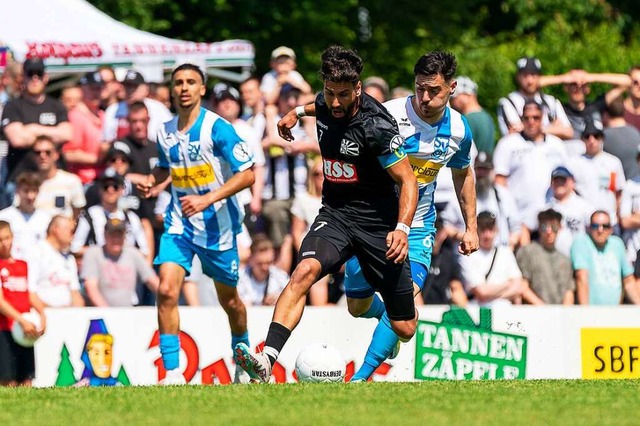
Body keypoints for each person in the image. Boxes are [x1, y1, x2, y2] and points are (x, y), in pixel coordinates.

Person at [234, 45, 420, 384]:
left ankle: (387, 321)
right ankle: (267, 359)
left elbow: (408, 181)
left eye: (343, 96)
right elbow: (315, 105)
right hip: (335, 214)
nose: (334, 103)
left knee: (404, 327)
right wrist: (295, 113)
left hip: (378, 224)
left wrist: (403, 229)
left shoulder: (377, 127)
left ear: (358, 90)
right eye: (329, 93)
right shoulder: (326, 102)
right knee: (303, 271)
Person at [343, 51, 479, 381]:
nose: (425, 97)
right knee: (356, 306)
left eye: (433, 90)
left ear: (452, 88)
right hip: (369, 223)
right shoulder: (387, 115)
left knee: (405, 323)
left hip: (416, 228)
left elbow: (463, 174)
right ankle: (384, 316)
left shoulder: (460, 130)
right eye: (420, 88)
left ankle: (359, 380)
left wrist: (471, 227)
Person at [137, 63, 255, 385]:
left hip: (219, 227)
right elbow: (166, 167)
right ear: (172, 89)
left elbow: (248, 174)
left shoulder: (218, 129)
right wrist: (153, 182)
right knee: (166, 289)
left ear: (202, 89)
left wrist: (207, 199)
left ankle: (242, 357)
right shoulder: (164, 130)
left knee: (230, 302)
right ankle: (172, 372)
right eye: (178, 83)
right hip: (180, 224)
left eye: (191, 82)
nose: (184, 88)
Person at [493, 100, 568, 240]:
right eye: (526, 118)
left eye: (536, 117)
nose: (531, 122)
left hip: (550, 218)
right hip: (519, 218)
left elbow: (567, 181)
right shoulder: (508, 144)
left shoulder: (556, 145)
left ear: (543, 118)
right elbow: (500, 181)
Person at [0, 58, 72, 193]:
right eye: (30, 74)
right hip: (21, 179)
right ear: (23, 77)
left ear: (45, 77)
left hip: (53, 178)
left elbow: (67, 134)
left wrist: (32, 129)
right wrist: (52, 134)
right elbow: (17, 139)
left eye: (38, 74)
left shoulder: (56, 105)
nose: (34, 78)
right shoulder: (13, 106)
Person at [442, 152, 521, 250]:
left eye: (486, 170)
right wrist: (464, 236)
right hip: (469, 256)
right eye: (479, 169)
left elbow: (516, 228)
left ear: (493, 171)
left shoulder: (504, 195)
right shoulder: (461, 194)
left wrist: (508, 249)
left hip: (498, 253)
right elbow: (446, 226)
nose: (482, 174)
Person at [0, 220, 46, 387]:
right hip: (4, 329)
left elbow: (30, 294)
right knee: (8, 379)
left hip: (24, 329)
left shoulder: (22, 265)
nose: (5, 243)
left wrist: (42, 314)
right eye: (0, 240)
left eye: (7, 238)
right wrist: (22, 320)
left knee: (27, 379)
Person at [82, 218, 158, 307]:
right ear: (105, 235)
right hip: (100, 314)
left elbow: (153, 281)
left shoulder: (133, 253)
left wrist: (169, 296)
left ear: (125, 236)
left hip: (127, 313)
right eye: (112, 235)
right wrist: (109, 313)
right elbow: (91, 288)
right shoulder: (93, 253)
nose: (116, 239)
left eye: (119, 235)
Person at [539, 68, 630, 141]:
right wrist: (563, 78)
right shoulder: (560, 109)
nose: (578, 88)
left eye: (582, 85)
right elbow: (532, 84)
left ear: (587, 89)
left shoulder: (596, 106)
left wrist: (590, 77)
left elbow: (627, 81)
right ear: (566, 87)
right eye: (573, 84)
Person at [571, 210, 640, 305]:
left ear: (611, 229)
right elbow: (582, 279)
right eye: (595, 226)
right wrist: (585, 313)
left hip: (613, 313)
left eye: (605, 226)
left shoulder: (617, 244)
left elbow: (628, 281)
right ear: (589, 228)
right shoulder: (581, 243)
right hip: (590, 314)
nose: (600, 230)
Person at [497, 56, 573, 140]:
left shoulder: (551, 101)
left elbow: (569, 132)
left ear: (540, 77)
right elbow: (515, 133)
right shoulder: (508, 102)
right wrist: (554, 128)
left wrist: (529, 128)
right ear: (518, 77)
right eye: (525, 75)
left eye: (533, 75)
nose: (530, 80)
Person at [459, 211, 523, 306]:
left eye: (490, 229)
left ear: (496, 230)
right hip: (478, 312)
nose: (487, 235)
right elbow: (482, 292)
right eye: (483, 230)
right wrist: (507, 284)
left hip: (505, 310)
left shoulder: (506, 252)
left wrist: (490, 295)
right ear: (476, 231)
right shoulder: (468, 255)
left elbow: (519, 287)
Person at [570, 120, 625, 229]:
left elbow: (618, 192)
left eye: (596, 136)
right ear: (582, 139)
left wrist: (618, 217)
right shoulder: (574, 163)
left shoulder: (613, 162)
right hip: (585, 221)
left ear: (602, 138)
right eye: (587, 136)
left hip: (610, 220)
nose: (592, 140)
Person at [515, 209, 575, 305]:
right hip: (535, 313)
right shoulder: (526, 252)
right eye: (544, 227)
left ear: (560, 228)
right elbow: (522, 286)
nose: (549, 231)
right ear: (538, 228)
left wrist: (564, 315)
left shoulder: (565, 260)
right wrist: (544, 309)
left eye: (554, 227)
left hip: (560, 316)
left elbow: (569, 291)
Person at [28, 215, 84, 308]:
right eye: (70, 231)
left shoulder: (69, 259)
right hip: (42, 314)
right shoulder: (36, 252)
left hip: (68, 315)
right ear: (55, 229)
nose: (73, 235)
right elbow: (30, 292)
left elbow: (75, 293)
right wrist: (53, 312)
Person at [102, 69, 172, 143]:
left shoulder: (159, 109)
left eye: (134, 86)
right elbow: (106, 139)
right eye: (127, 86)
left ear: (146, 89)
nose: (130, 91)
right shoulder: (113, 110)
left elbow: (170, 136)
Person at [61, 72, 104, 185]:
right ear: (82, 90)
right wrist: (99, 159)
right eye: (92, 89)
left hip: (103, 179)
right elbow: (68, 153)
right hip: (83, 180)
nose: (96, 93)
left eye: (99, 88)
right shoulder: (75, 116)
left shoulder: (103, 115)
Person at [33, 135, 86, 220]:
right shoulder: (29, 182)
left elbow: (78, 212)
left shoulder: (72, 181)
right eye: (37, 152)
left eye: (48, 152)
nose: (42, 156)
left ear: (56, 155)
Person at [0, 172, 51, 261]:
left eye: (34, 191)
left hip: (37, 267)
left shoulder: (46, 218)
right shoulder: (4, 216)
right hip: (11, 267)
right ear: (17, 191)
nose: (30, 196)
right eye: (26, 191)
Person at [544, 166, 594, 257]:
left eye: (563, 180)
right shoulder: (545, 208)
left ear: (572, 182)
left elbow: (595, 229)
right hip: (553, 259)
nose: (559, 183)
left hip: (579, 258)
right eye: (556, 180)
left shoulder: (584, 206)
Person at [421, 217, 467, 306]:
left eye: (437, 230)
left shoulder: (448, 257)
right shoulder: (416, 256)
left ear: (444, 233)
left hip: (441, 309)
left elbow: (456, 287)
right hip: (418, 310)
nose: (434, 235)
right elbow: (413, 290)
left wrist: (464, 312)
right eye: (431, 231)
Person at [237, 234, 290, 307]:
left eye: (268, 262)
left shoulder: (281, 278)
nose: (265, 267)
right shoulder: (238, 278)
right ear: (250, 259)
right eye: (260, 263)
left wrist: (280, 301)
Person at [449, 76, 496, 154]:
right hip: (486, 164)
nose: (452, 102)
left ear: (466, 94)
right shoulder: (487, 116)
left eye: (454, 97)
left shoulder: (466, 120)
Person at [602, 96, 640, 180]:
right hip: (636, 185)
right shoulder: (635, 133)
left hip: (615, 187)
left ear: (606, 115)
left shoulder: (603, 136)